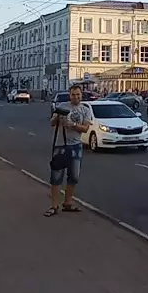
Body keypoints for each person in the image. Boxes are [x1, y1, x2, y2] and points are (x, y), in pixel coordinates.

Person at [45, 82, 91, 217]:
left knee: (74, 176)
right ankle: (54, 205)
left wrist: (73, 125)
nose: (75, 97)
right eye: (73, 95)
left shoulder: (85, 110)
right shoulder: (62, 106)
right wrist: (58, 118)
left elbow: (86, 128)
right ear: (69, 95)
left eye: (78, 94)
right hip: (60, 145)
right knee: (56, 177)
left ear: (82, 95)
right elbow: (52, 123)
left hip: (76, 146)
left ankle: (67, 202)